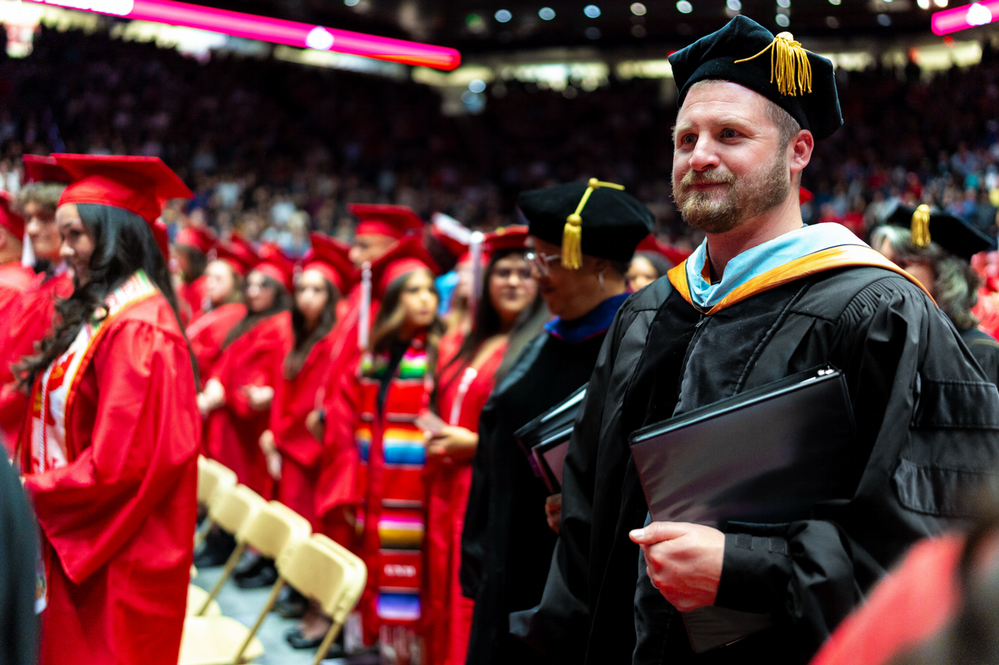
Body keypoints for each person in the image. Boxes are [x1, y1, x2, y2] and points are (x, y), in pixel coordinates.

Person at [518, 16, 999, 665]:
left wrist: (745, 566)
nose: (699, 156)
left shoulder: (879, 312)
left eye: (730, 135)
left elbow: (935, 547)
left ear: (798, 151)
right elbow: (584, 535)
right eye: (685, 138)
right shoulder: (647, 313)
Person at [15, 153, 200, 665]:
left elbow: (120, 467)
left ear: (115, 234)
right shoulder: (106, 311)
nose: (64, 249)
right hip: (78, 538)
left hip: (116, 556)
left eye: (75, 235)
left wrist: (27, 491)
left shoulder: (140, 329)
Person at [461, 178, 653, 665]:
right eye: (534, 256)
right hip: (508, 561)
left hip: (569, 582)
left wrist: (594, 500)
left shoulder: (643, 346)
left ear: (599, 263)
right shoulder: (545, 336)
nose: (535, 273)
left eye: (546, 259)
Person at [424, 227, 543, 665]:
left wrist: (474, 445)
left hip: (489, 494)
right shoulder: (471, 341)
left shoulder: (539, 346)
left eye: (524, 273)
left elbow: (537, 436)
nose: (512, 282)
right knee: (441, 593)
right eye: (502, 273)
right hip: (447, 489)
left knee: (469, 607)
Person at [340, 255, 442, 661]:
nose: (426, 299)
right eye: (414, 291)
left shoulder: (438, 350)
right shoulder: (376, 356)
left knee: (417, 579)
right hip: (377, 482)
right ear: (394, 299)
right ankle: (379, 645)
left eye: (431, 290)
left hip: (418, 488)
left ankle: (405, 652)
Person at [199, 244, 294, 498]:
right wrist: (216, 381)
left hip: (248, 429)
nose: (253, 292)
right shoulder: (247, 320)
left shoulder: (281, 325)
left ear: (277, 291)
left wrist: (237, 393)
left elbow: (265, 376)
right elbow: (227, 363)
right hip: (228, 418)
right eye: (250, 285)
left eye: (263, 286)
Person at [871, 205, 999, 384]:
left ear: (943, 272)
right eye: (884, 265)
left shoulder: (980, 354)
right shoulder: (882, 344)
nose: (888, 275)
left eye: (902, 263)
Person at [0, 156, 73, 442]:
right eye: (29, 218)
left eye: (45, 218)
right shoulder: (40, 284)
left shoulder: (68, 289)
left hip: (27, 430)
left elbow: (25, 375)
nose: (31, 229)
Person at [185, 236, 253, 387]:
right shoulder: (209, 310)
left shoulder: (235, 313)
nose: (210, 284)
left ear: (235, 282)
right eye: (208, 277)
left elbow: (207, 356)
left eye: (218, 279)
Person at [172, 223, 215, 326]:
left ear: (194, 259)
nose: (177, 257)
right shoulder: (182, 286)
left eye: (181, 253)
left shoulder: (204, 288)